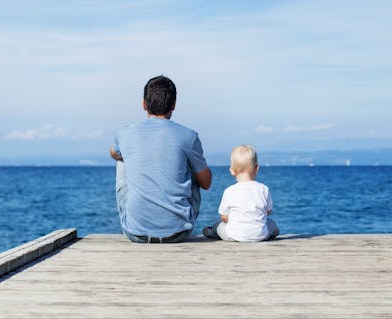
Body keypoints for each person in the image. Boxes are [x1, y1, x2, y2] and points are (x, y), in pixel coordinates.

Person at [110, 75, 212, 243]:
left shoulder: (125, 132)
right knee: (192, 165)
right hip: (178, 233)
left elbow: (113, 153)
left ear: (143, 104)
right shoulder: (189, 136)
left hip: (135, 232)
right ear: (174, 105)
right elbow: (206, 183)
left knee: (122, 159)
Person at [203, 145, 279, 242]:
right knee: (272, 223)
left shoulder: (229, 191)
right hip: (259, 235)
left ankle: (212, 232)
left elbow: (223, 216)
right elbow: (268, 211)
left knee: (219, 225)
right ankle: (272, 233)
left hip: (233, 235)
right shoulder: (263, 189)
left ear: (232, 171)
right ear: (256, 168)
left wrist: (233, 220)